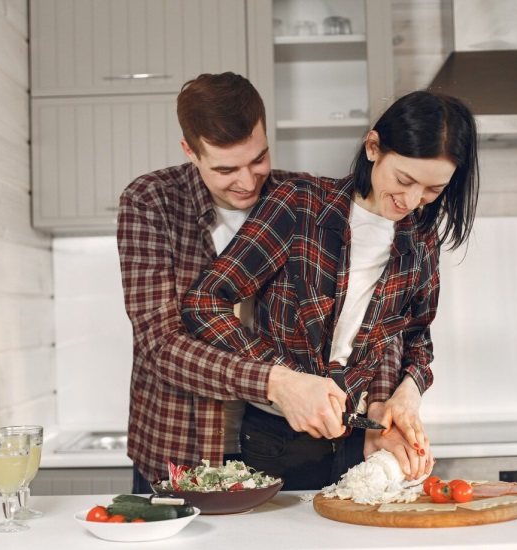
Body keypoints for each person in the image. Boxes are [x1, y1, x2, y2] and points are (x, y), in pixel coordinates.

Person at [117, 72, 416, 494]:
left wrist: (382, 400)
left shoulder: (305, 198)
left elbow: (370, 315)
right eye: (225, 168)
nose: (246, 180)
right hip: (181, 443)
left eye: (258, 159)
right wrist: (279, 382)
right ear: (190, 151)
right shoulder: (151, 202)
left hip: (291, 447)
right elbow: (159, 343)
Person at [181, 89, 480, 490]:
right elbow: (204, 302)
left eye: (433, 190)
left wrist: (405, 394)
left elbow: (412, 333)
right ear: (373, 147)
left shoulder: (422, 234)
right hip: (279, 438)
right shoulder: (299, 204)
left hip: (367, 437)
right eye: (404, 180)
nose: (412, 200)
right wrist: (284, 378)